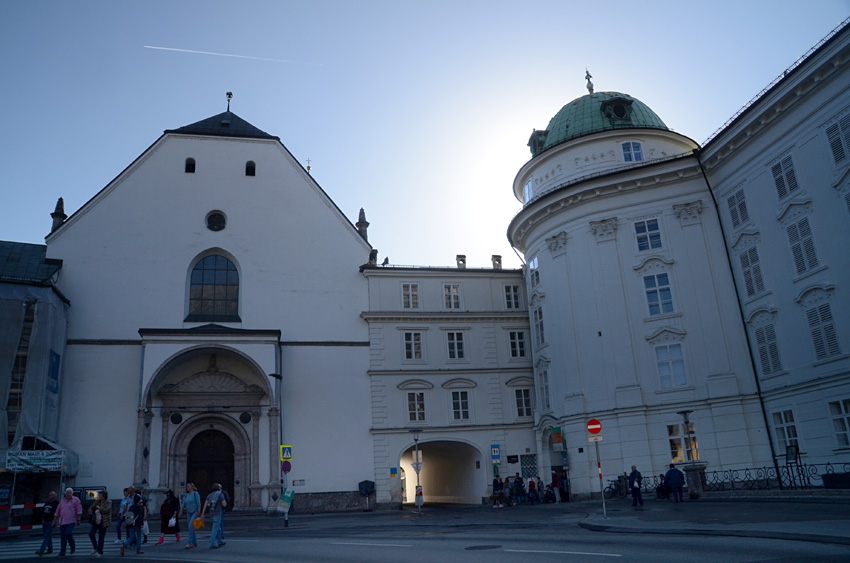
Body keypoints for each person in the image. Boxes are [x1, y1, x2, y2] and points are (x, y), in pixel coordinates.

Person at [54, 487, 82, 557]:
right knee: (63, 537)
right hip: (62, 521)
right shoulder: (62, 501)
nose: (68, 494)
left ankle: (72, 545)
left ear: (72, 494)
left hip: (71, 520)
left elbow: (79, 510)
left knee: (68, 533)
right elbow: (57, 511)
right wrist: (54, 520)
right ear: (65, 494)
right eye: (67, 493)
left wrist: (78, 519)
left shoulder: (76, 500)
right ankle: (62, 552)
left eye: (70, 493)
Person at [200, 483, 227, 549]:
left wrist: (202, 514)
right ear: (219, 488)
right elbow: (224, 505)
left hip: (211, 514)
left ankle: (220, 541)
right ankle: (212, 542)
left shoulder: (209, 495)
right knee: (215, 528)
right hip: (217, 513)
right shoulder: (220, 494)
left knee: (218, 528)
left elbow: (205, 505)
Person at [35, 491, 59, 556]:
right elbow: (44, 511)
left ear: (54, 496)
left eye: (51, 495)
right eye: (49, 495)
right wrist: (42, 519)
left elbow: (57, 513)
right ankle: (50, 549)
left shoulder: (56, 503)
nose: (49, 496)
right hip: (45, 521)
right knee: (48, 536)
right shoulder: (47, 503)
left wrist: (54, 521)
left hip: (50, 521)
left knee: (46, 536)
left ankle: (41, 550)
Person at [88, 490, 111, 557]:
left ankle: (100, 551)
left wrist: (99, 508)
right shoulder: (97, 502)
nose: (99, 497)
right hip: (96, 521)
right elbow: (91, 507)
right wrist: (91, 513)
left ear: (103, 496)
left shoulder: (108, 502)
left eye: (100, 495)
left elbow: (106, 510)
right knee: (91, 533)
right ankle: (96, 548)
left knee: (101, 537)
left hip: (103, 521)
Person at [178, 482, 201, 549]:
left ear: (192, 487)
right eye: (186, 486)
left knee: (190, 526)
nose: (187, 488)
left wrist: (199, 511)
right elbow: (183, 504)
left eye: (188, 486)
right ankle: (194, 542)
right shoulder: (186, 495)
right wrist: (181, 511)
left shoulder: (195, 494)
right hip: (189, 512)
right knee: (191, 528)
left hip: (195, 512)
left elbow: (198, 503)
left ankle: (189, 543)